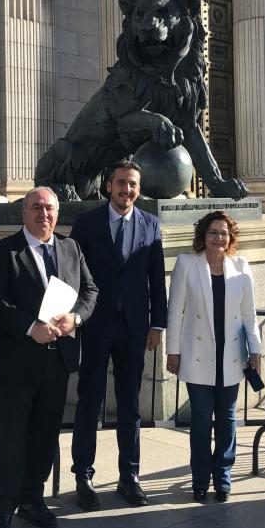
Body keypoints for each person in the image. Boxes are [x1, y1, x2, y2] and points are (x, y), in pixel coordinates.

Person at [0, 187, 98, 528]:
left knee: (44, 434)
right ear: (24, 213)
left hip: (56, 362)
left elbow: (91, 291)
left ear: (57, 212)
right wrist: (30, 327)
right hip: (15, 362)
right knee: (8, 437)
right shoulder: (6, 251)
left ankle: (32, 498)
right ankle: (2, 508)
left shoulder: (70, 248)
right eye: (36, 208)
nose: (43, 214)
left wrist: (75, 320)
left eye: (49, 208)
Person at [69, 161, 167, 509]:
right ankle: (83, 474)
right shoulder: (87, 223)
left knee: (130, 405)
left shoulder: (150, 224)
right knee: (89, 400)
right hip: (95, 325)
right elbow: (73, 275)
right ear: (109, 186)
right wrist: (72, 318)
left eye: (133, 185)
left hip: (134, 327)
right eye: (122, 183)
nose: (127, 190)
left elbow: (156, 278)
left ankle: (130, 476)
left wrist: (158, 325)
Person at [165, 211, 262, 503]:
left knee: (227, 420)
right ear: (203, 237)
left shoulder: (241, 266)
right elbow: (176, 311)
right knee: (201, 421)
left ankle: (223, 477)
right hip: (197, 355)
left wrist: (255, 349)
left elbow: (249, 314)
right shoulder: (186, 264)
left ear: (230, 237)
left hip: (231, 355)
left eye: (224, 233)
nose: (219, 238)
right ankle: (199, 479)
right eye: (213, 233)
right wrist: (173, 351)